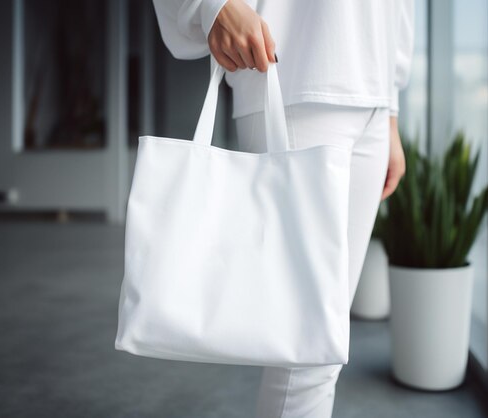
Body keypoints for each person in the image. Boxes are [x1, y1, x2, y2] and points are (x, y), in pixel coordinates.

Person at [151, 0, 415, 416]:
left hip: (373, 94)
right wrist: (211, 5)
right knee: (308, 353)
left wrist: (392, 110)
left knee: (321, 349)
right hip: (291, 71)